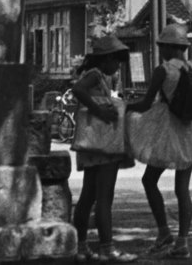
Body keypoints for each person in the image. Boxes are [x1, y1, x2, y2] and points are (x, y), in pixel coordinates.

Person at [125, 23, 192, 260]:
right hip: (190, 133)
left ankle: (163, 232)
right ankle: (182, 241)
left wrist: (125, 108)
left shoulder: (163, 70)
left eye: (161, 46)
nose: (160, 50)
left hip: (167, 134)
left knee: (149, 180)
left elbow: (147, 103)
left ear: (168, 47)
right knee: (182, 189)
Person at [71, 33, 136, 263]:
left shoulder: (99, 76)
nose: (117, 66)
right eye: (116, 61)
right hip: (104, 147)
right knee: (104, 197)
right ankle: (107, 248)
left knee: (88, 196)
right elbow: (78, 90)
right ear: (106, 59)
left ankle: (80, 247)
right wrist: (99, 111)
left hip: (92, 146)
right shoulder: (96, 74)